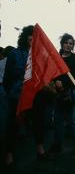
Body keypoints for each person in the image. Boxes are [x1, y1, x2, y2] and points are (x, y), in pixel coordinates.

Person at [2, 25, 34, 167]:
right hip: (16, 94)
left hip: (31, 95)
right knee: (12, 124)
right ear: (25, 37)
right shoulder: (15, 54)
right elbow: (8, 77)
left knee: (28, 124)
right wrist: (12, 92)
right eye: (30, 36)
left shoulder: (36, 55)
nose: (32, 39)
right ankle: (8, 153)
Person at [50, 33, 75, 153]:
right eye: (66, 43)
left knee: (74, 119)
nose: (68, 45)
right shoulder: (56, 58)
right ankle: (57, 143)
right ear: (62, 43)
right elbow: (52, 73)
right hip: (58, 92)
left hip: (74, 91)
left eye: (71, 44)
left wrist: (62, 82)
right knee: (58, 119)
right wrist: (55, 82)